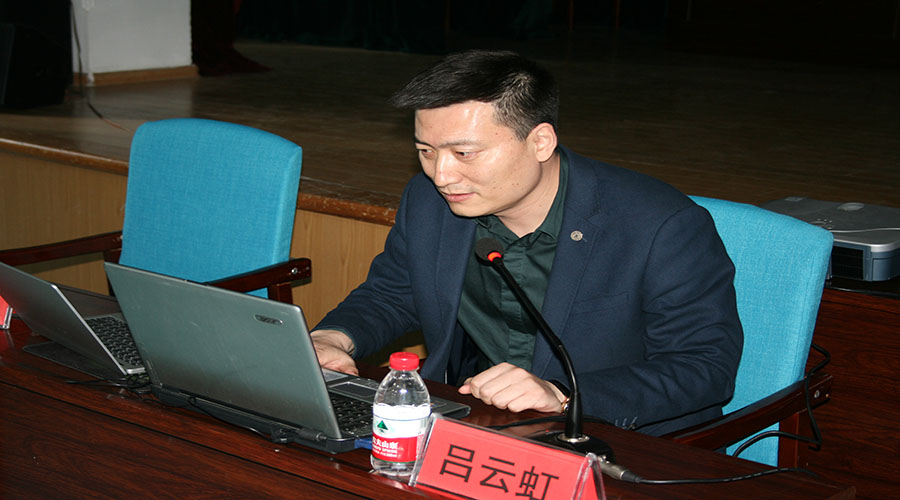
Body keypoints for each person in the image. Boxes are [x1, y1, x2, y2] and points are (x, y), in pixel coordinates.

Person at [311, 50, 743, 436]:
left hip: (615, 440)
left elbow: (703, 368)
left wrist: (564, 394)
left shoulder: (660, 225)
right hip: (476, 421)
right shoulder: (429, 202)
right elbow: (393, 293)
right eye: (426, 151)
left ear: (540, 142)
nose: (441, 175)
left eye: (464, 153)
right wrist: (335, 336)